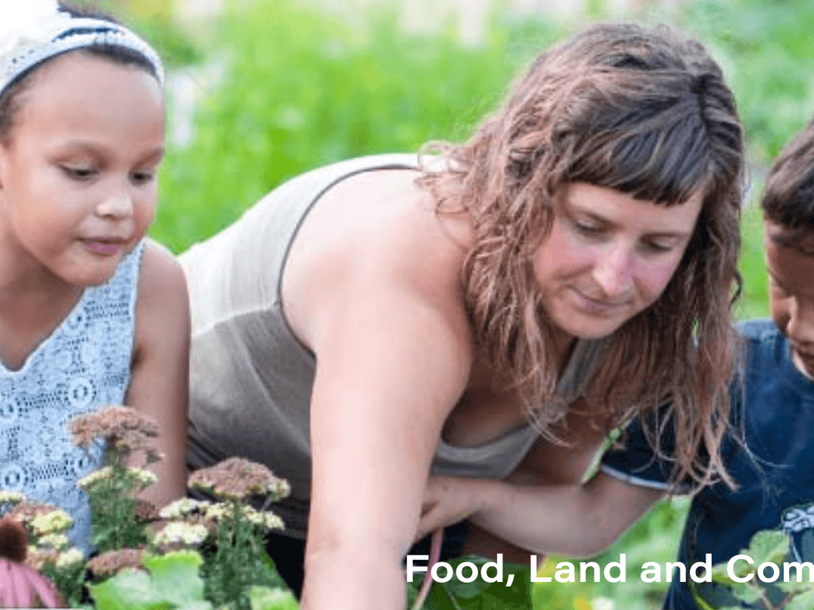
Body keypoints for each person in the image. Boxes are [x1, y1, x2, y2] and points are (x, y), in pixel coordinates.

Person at [180, 22, 745, 610]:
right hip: (169, 497)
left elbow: (516, 521)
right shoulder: (410, 270)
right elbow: (353, 552)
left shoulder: (628, 313)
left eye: (657, 245)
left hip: (396, 532)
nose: (611, 277)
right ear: (523, 185)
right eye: (589, 227)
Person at [418, 86, 814, 610]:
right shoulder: (726, 374)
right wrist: (476, 497)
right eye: (784, 288)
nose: (801, 326)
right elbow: (594, 520)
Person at [0, 0, 189, 549]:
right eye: (81, 171)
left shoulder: (152, 287)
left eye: (142, 174)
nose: (118, 205)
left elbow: (157, 519)